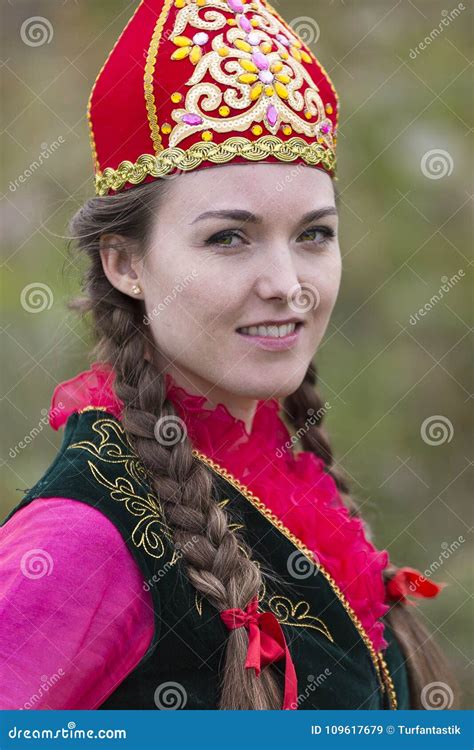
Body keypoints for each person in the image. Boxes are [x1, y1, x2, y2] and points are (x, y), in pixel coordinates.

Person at [0, 0, 456, 711]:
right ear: (124, 263)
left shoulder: (283, 473)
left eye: (313, 235)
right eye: (228, 239)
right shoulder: (80, 538)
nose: (286, 286)